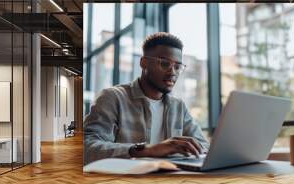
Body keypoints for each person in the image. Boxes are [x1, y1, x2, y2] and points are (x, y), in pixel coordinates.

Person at [84, 32, 210, 164]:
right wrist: (148, 150)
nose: (172, 72)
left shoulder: (178, 107)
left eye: (177, 67)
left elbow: (204, 147)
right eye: (164, 63)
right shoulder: (112, 98)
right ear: (144, 63)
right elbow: (87, 147)